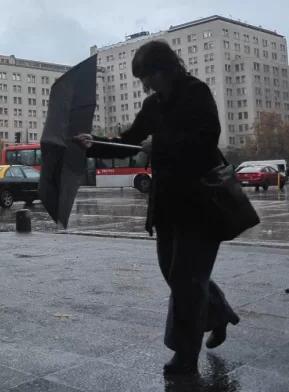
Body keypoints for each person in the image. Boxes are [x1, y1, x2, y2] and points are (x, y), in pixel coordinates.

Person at [75, 40, 239, 374]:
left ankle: (185, 356)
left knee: (186, 279)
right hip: (167, 203)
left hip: (202, 200)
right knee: (175, 273)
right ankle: (218, 313)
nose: (145, 85)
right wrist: (94, 143)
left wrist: (160, 144)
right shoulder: (153, 105)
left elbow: (208, 137)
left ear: (165, 68)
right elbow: (131, 140)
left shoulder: (196, 92)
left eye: (148, 77)